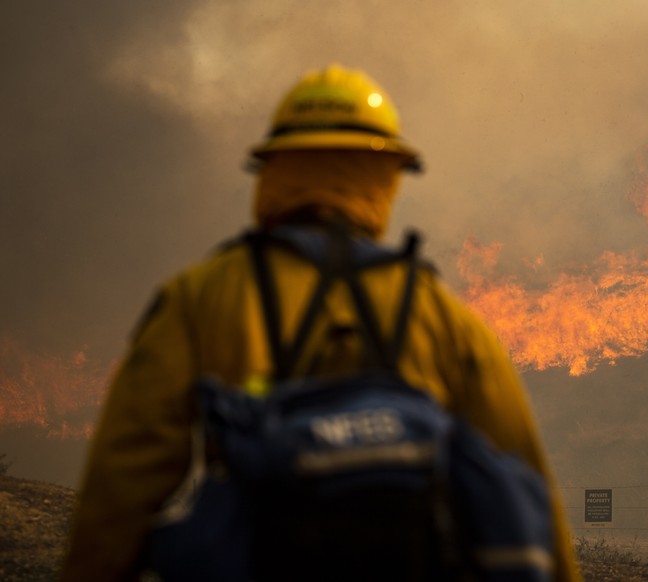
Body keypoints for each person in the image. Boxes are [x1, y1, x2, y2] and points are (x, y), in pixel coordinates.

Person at [61, 64, 583, 582]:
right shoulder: (441, 316)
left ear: (274, 170)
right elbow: (523, 479)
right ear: (386, 176)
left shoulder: (200, 298)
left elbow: (125, 480)